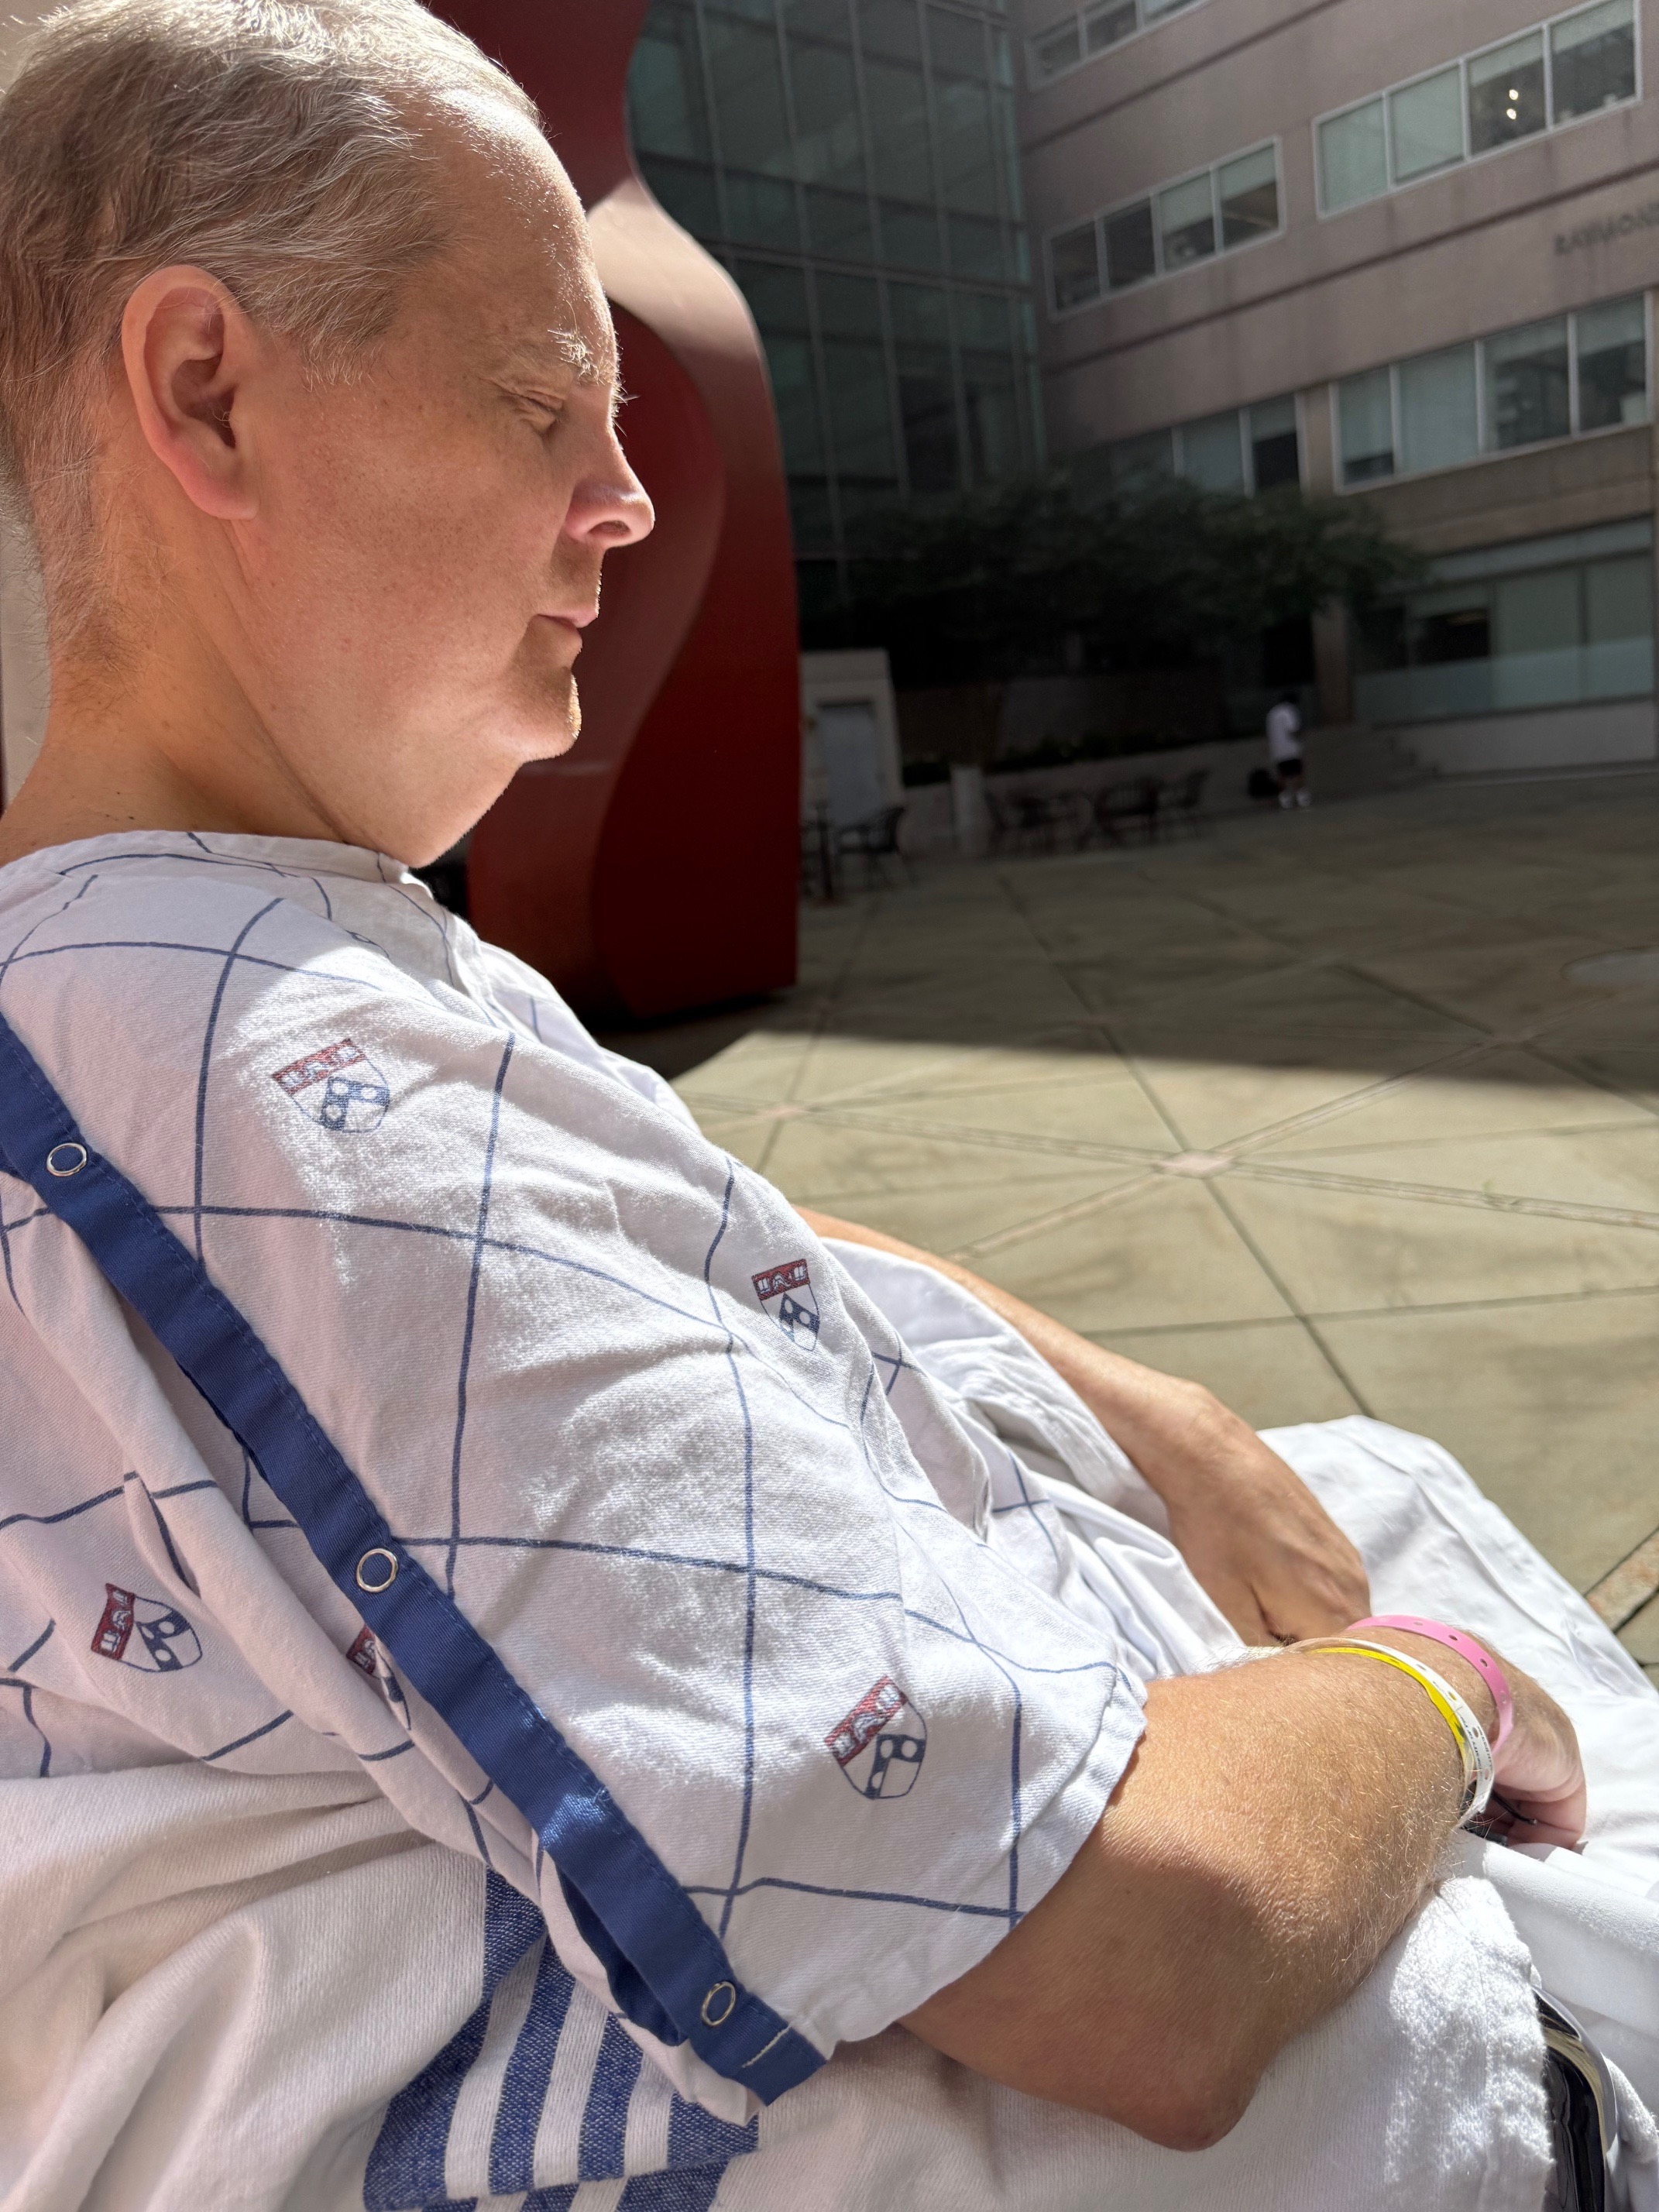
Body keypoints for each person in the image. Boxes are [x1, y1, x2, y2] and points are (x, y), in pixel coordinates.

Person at [0, 7, 1653, 2209]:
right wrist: (1444, 1692)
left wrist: (1138, 1403)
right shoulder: (272, 1094)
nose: (623, 498)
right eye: (540, 402)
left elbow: (648, 1224)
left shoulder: (251, 990)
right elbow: (1138, 1959)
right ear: (207, 390)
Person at [1266, 689, 1309, 807]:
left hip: (1277, 750)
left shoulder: (1272, 713)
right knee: (1297, 774)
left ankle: (1285, 800)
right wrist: (1301, 738)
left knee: (1282, 775)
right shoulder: (1289, 711)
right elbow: (1293, 729)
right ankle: (1302, 798)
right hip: (1291, 749)